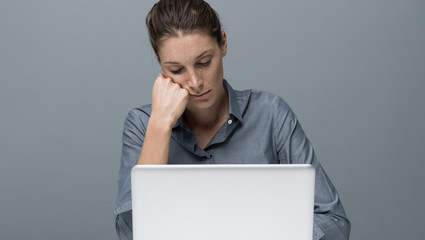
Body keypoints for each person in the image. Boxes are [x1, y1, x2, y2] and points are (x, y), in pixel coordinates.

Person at [114, 0, 351, 239]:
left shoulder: (271, 114)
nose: (195, 82)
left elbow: (334, 223)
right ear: (159, 62)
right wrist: (161, 124)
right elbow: (130, 233)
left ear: (223, 44)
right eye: (176, 70)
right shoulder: (143, 124)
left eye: (204, 62)